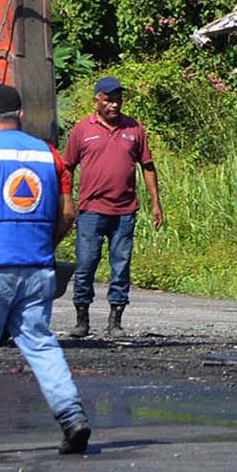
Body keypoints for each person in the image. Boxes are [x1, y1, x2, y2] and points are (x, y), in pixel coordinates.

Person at [0, 84, 92, 457]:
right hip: (37, 268)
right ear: (21, 116)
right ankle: (72, 416)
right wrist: (48, 244)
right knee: (41, 343)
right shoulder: (48, 155)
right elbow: (67, 212)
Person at [65, 76, 163, 336]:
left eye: (118, 99)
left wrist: (156, 203)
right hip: (91, 210)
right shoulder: (82, 130)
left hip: (124, 211)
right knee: (86, 263)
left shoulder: (134, 129)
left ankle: (115, 320)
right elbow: (67, 167)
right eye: (108, 99)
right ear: (96, 100)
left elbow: (148, 166)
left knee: (121, 266)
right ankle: (82, 319)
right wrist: (68, 203)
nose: (114, 105)